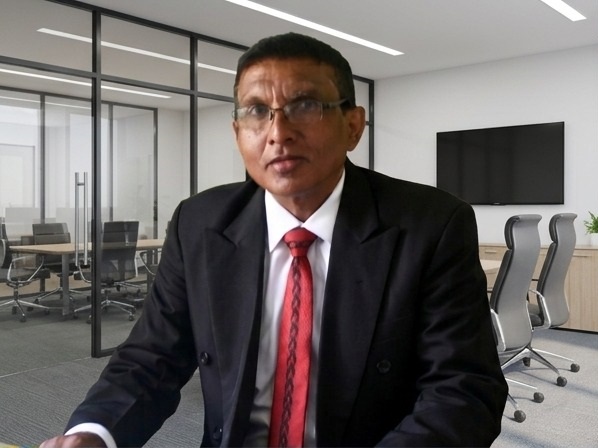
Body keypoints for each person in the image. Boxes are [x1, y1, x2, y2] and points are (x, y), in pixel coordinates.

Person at [41, 32, 507, 448]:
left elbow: (462, 389)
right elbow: (152, 355)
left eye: (305, 106)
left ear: (353, 125)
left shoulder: (431, 225)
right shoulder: (199, 224)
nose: (278, 133)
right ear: (237, 132)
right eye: (256, 112)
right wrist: (95, 433)